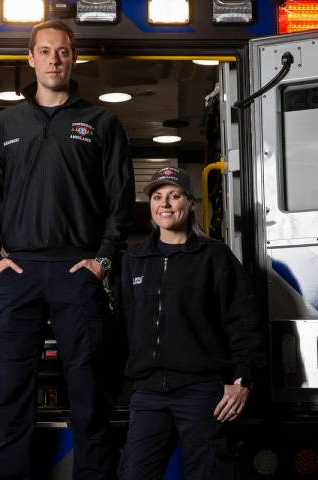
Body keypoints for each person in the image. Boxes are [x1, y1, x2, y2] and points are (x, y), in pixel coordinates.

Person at [0, 20, 134, 480]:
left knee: (87, 389)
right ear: (30, 58)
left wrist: (102, 261)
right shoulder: (6, 124)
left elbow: (120, 201)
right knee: (12, 391)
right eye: (44, 51)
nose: (53, 59)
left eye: (62, 51)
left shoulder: (101, 122)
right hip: (17, 272)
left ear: (73, 57)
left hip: (77, 270)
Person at [116, 167, 265, 479]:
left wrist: (242, 379)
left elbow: (243, 321)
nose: (165, 204)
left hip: (201, 392)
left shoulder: (215, 257)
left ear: (191, 203)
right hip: (148, 393)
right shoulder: (134, 261)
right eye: (157, 197)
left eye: (174, 195)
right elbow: (123, 325)